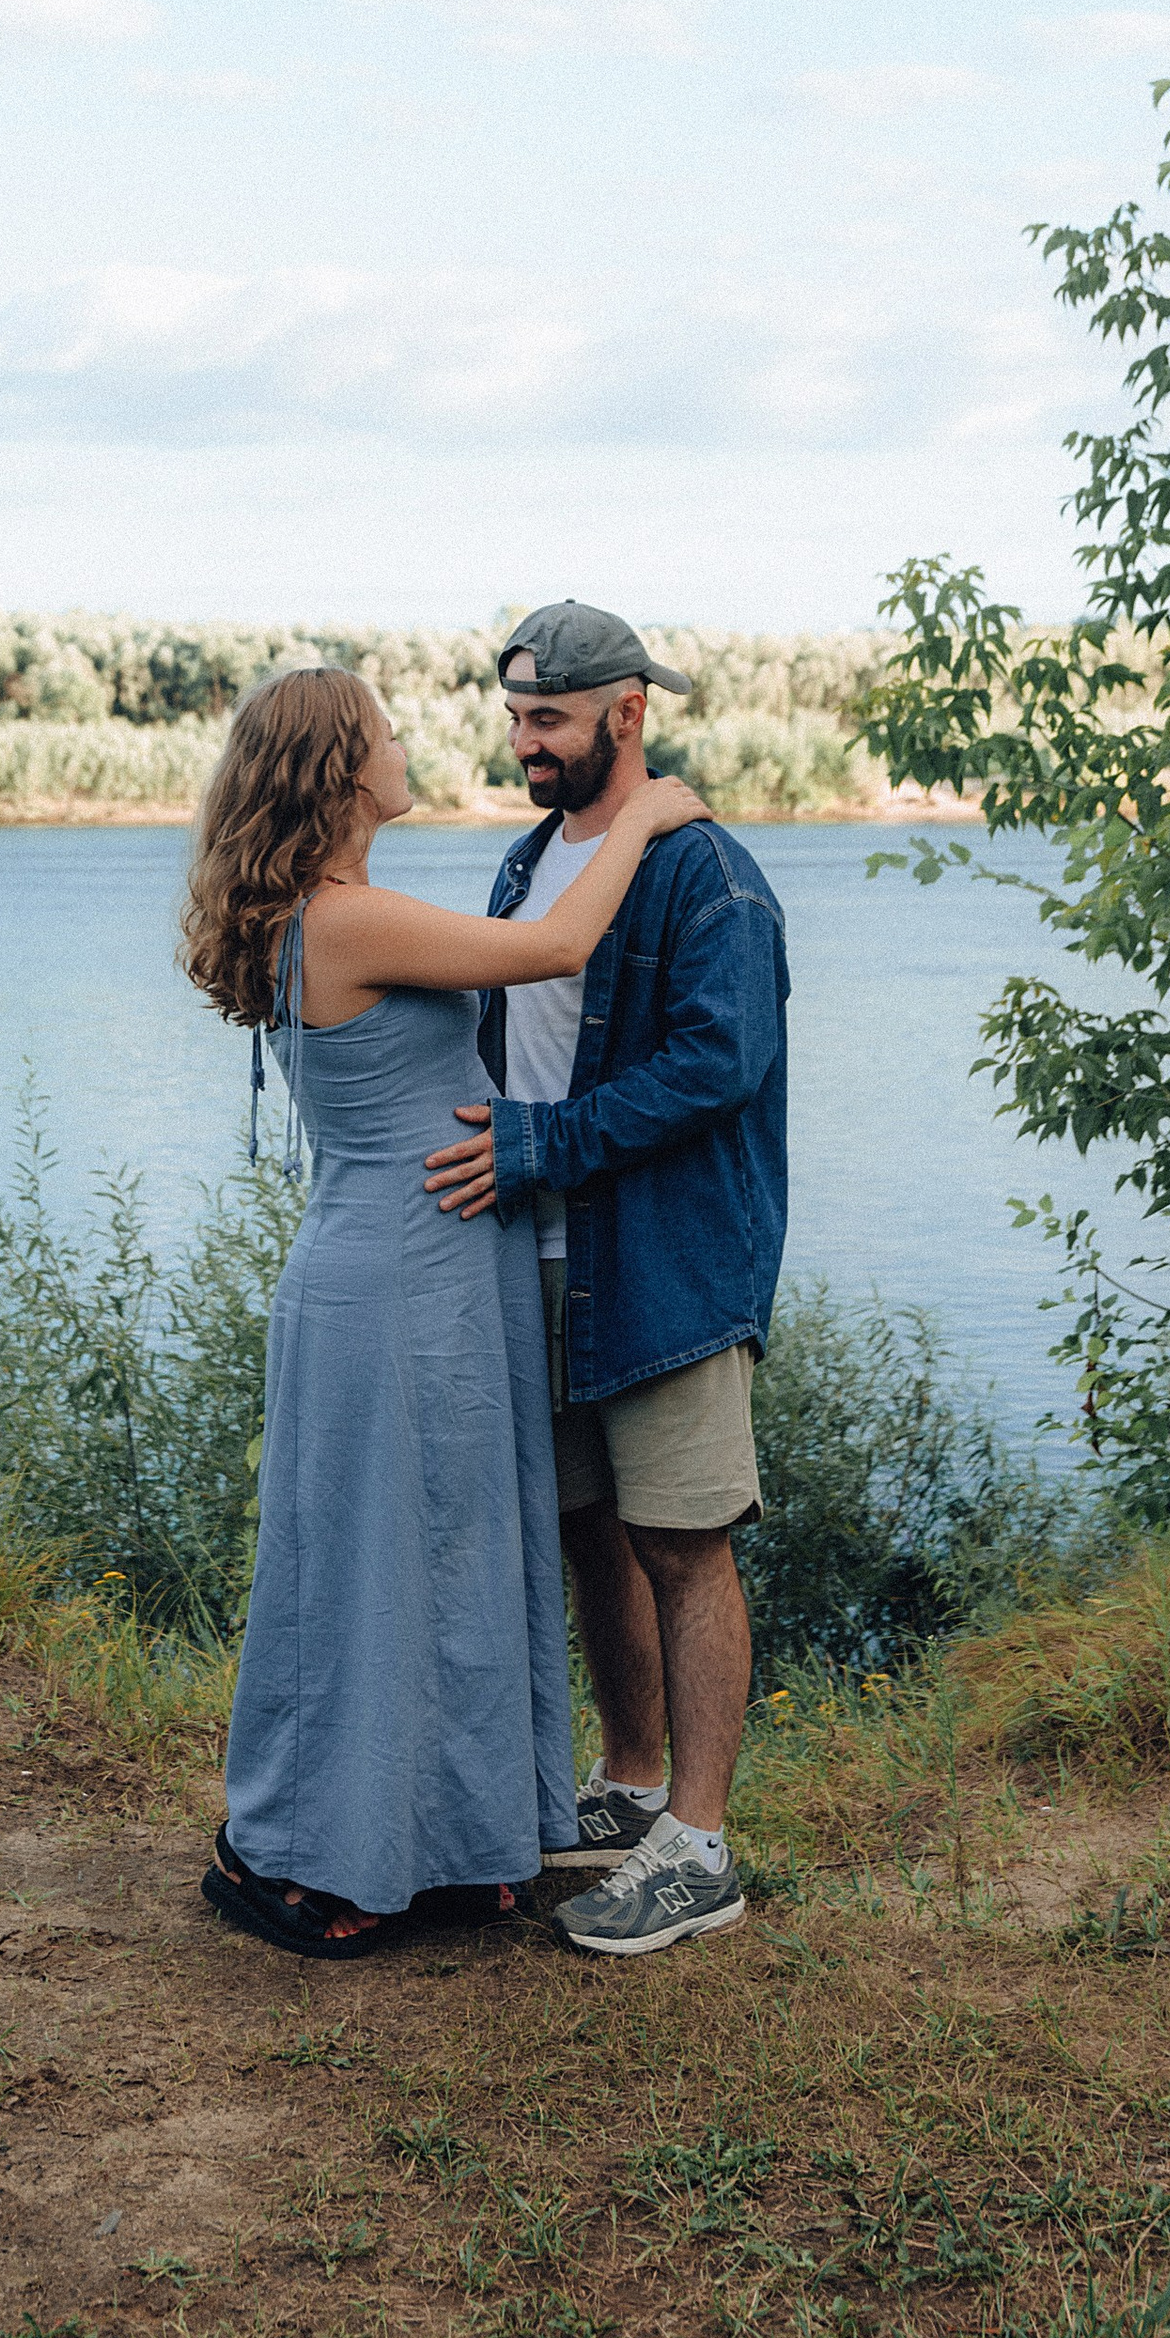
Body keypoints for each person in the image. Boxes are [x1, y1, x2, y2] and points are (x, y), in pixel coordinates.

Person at [178, 664, 709, 1960]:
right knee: (384, 1570)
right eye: (388, 732)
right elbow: (558, 948)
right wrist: (643, 818)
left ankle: (452, 1841)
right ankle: (342, 1854)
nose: (409, 745)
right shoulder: (343, 919)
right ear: (342, 770)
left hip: (421, 1267)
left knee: (448, 1555)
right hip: (399, 1280)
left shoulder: (329, 914)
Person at [422, 601, 789, 1957]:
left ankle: (702, 1846)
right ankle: (633, 1787)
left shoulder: (708, 879)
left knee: (686, 1543)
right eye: (516, 717)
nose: (524, 742)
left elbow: (718, 1064)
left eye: (547, 721)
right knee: (591, 1529)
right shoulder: (531, 866)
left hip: (669, 1264)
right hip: (543, 1265)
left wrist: (541, 1147)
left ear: (626, 715)